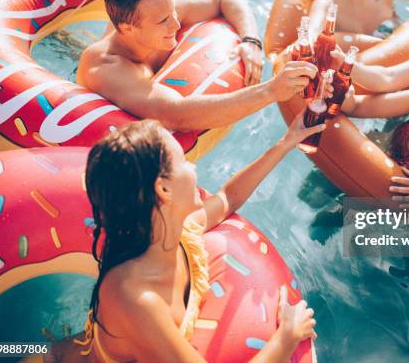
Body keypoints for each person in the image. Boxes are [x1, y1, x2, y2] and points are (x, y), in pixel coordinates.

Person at [70, 115, 323, 363]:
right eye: (183, 160)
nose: (192, 166)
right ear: (163, 189)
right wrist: (287, 336)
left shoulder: (177, 235)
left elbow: (228, 199)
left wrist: (287, 142)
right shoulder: (137, 299)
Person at [77, 0, 317, 132]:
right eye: (163, 21)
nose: (176, 24)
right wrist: (271, 90)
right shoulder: (106, 68)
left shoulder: (158, 8)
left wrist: (250, 41)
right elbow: (176, 116)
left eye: (172, 13)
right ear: (127, 29)